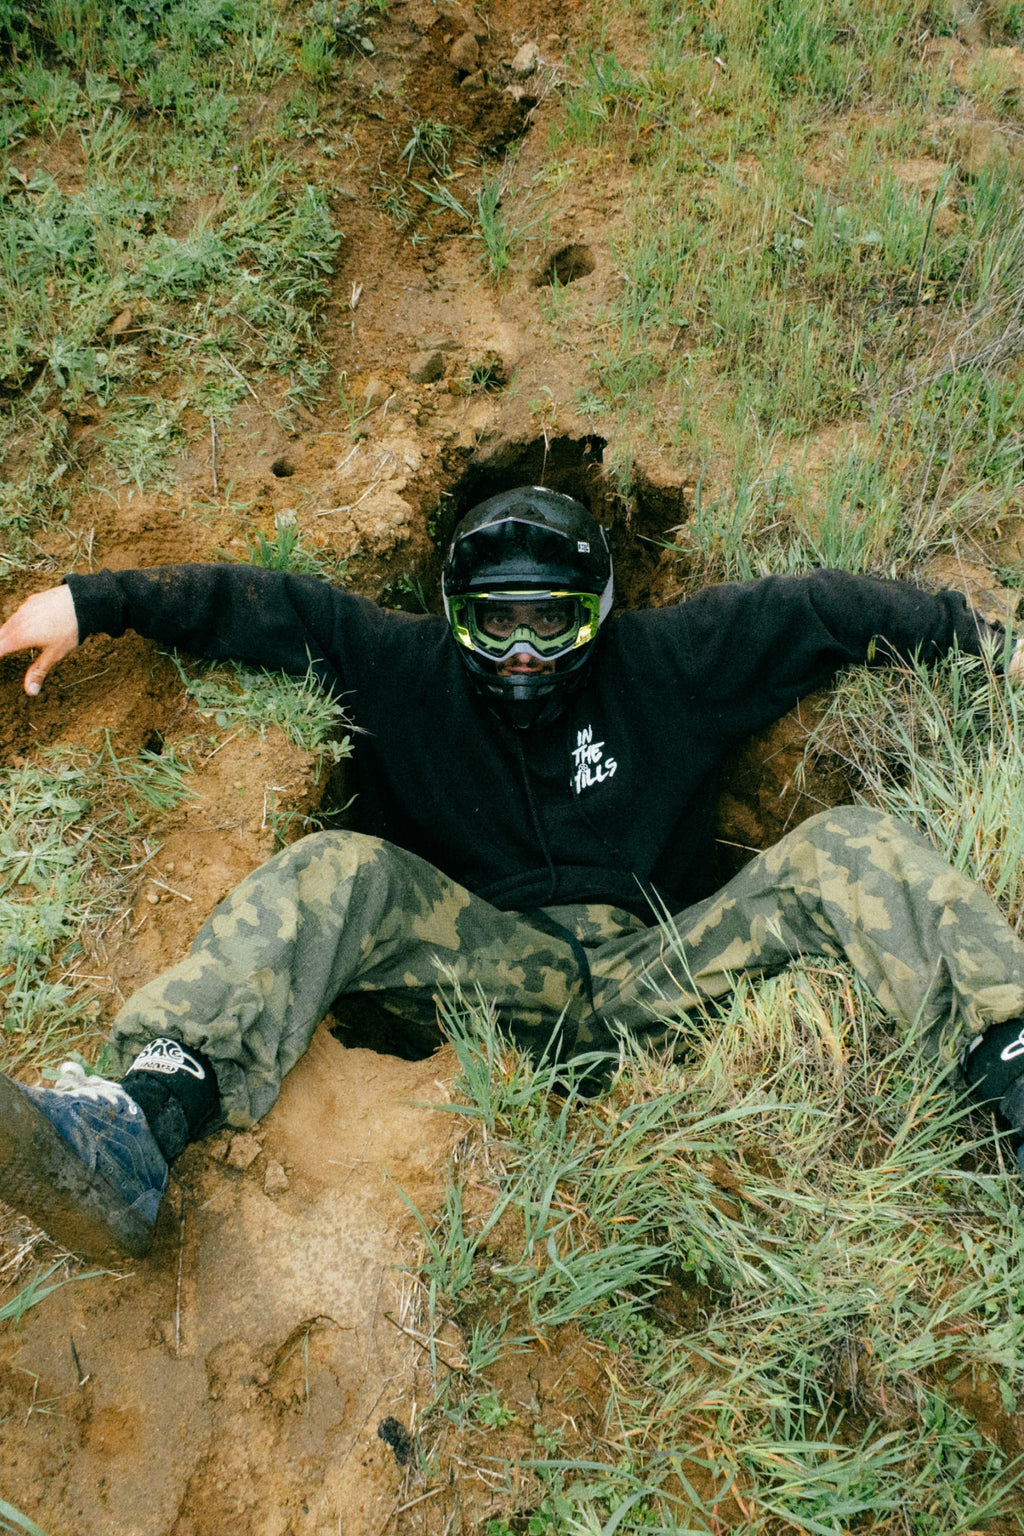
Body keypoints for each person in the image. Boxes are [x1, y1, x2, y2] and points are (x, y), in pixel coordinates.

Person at [1, 485, 1024, 1260]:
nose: (525, 651)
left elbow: (825, 611)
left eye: (551, 620)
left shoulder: (672, 658)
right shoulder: (403, 668)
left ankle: (1011, 1063)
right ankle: (141, 1123)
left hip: (666, 964)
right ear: (456, 612)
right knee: (334, 868)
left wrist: (996, 647)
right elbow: (263, 607)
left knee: (852, 844)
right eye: (498, 621)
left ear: (599, 609)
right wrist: (92, 604)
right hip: (493, 975)